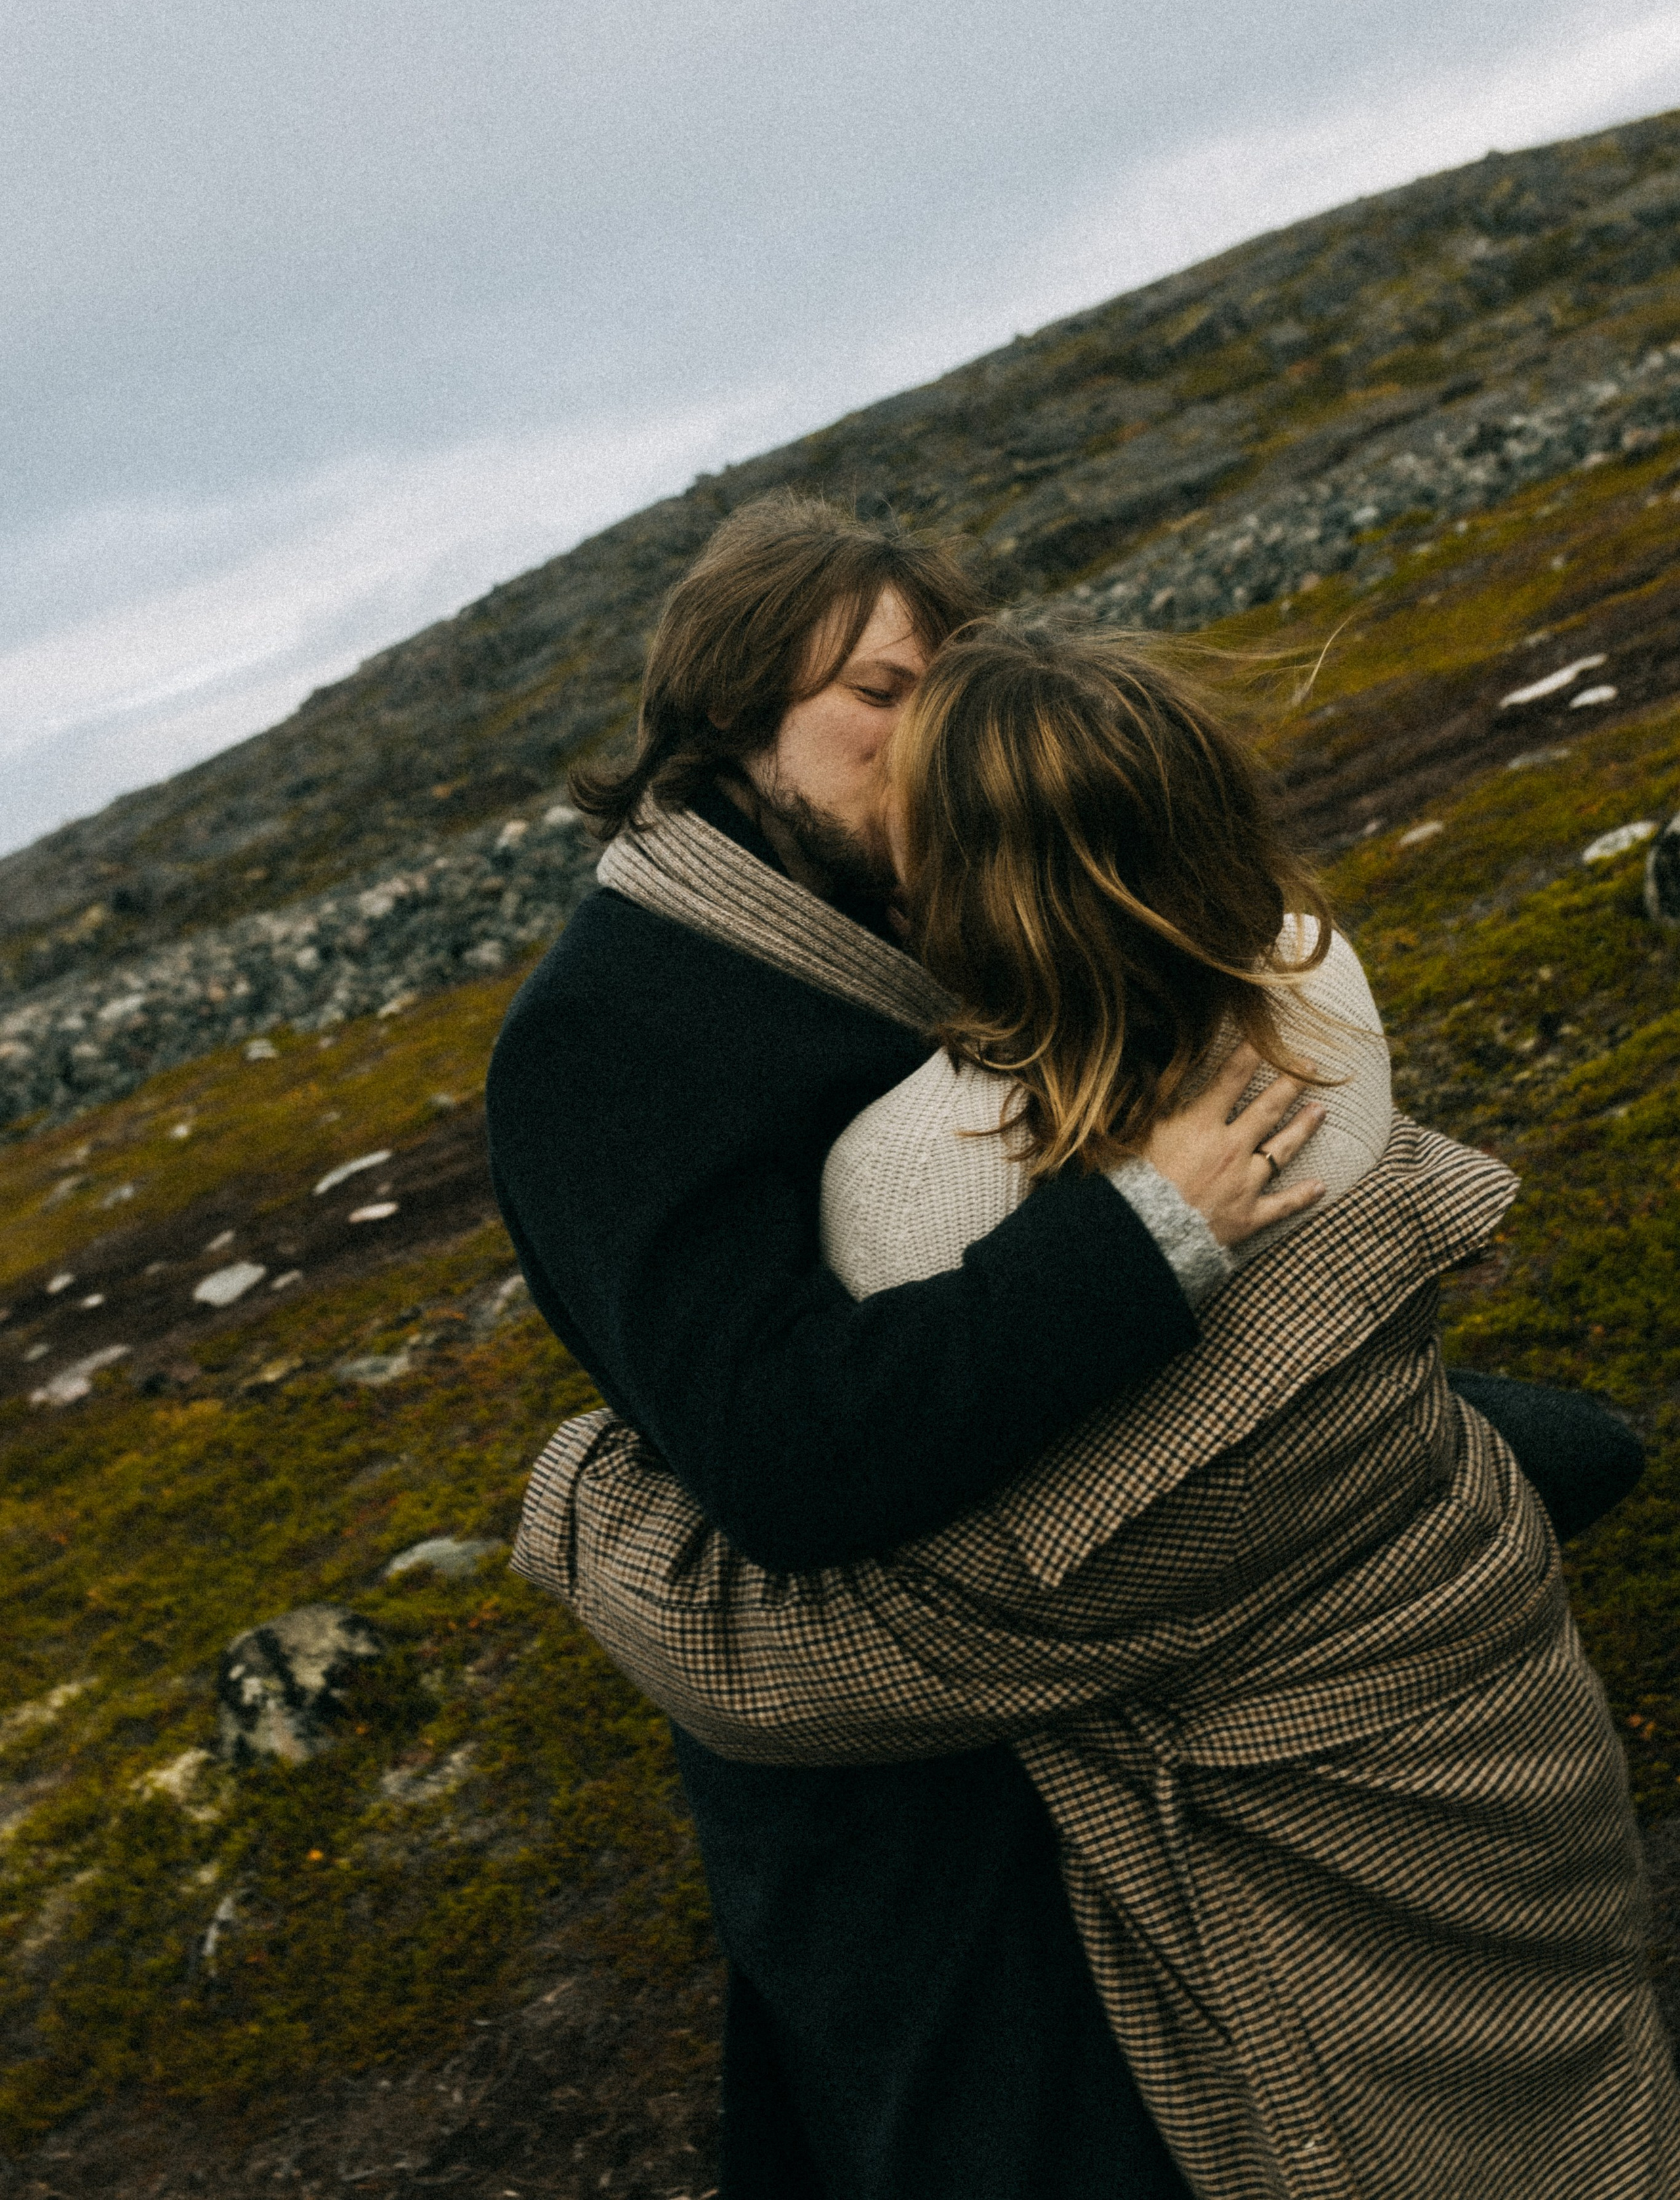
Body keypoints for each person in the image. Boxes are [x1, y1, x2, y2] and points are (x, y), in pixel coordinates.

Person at [488, 497, 1641, 2199]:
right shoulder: (611, 1040)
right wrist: (1140, 1234)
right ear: (729, 727)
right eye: (880, 694)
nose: (932, 729)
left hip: (1098, 1538)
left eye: (944, 679)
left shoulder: (915, 893)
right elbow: (786, 1457)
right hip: (921, 1770)